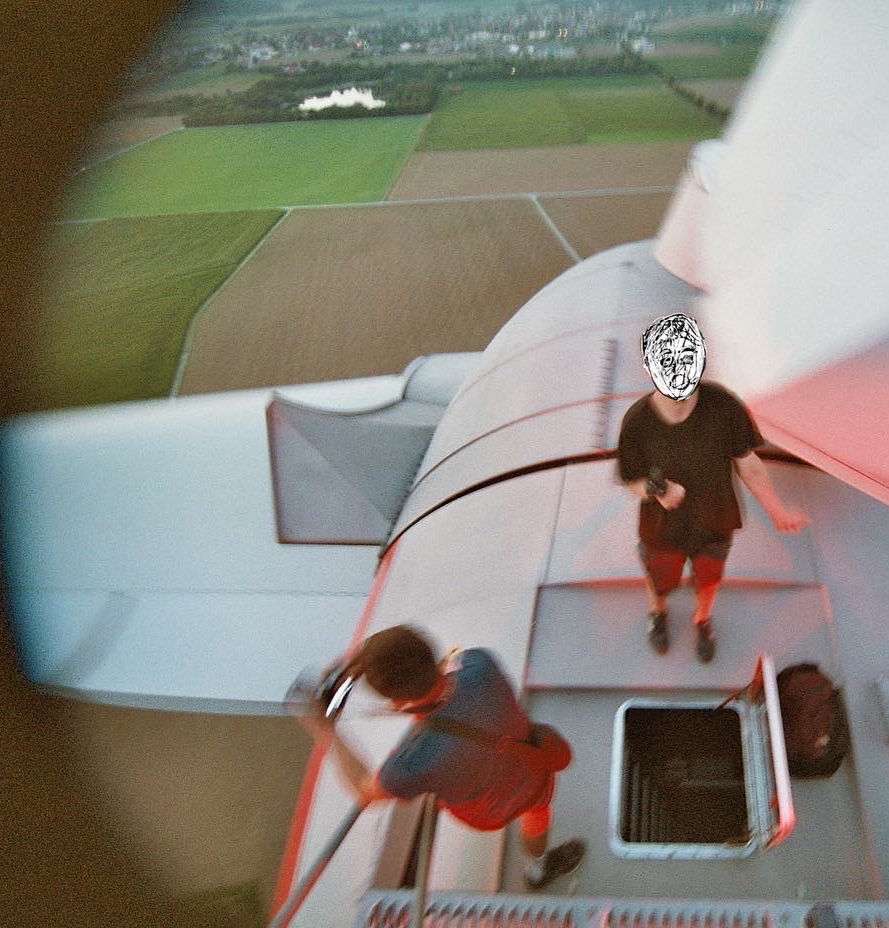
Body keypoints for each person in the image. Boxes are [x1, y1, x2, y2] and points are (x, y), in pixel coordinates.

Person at [294, 625, 585, 890]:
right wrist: (367, 657)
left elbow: (363, 787)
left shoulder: (410, 765)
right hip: (533, 772)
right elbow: (455, 660)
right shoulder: (481, 663)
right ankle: (537, 869)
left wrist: (327, 731)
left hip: (488, 813)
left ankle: (536, 868)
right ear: (431, 653)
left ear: (397, 702)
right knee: (536, 811)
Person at [617, 312, 810, 662]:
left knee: (709, 580)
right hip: (661, 529)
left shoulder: (723, 406)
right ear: (650, 367)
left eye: (688, 357)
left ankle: (702, 620)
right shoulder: (636, 424)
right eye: (667, 359)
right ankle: (657, 614)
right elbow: (632, 481)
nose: (678, 368)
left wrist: (778, 512)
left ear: (701, 358)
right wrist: (658, 491)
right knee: (659, 579)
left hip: (715, 523)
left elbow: (748, 464)